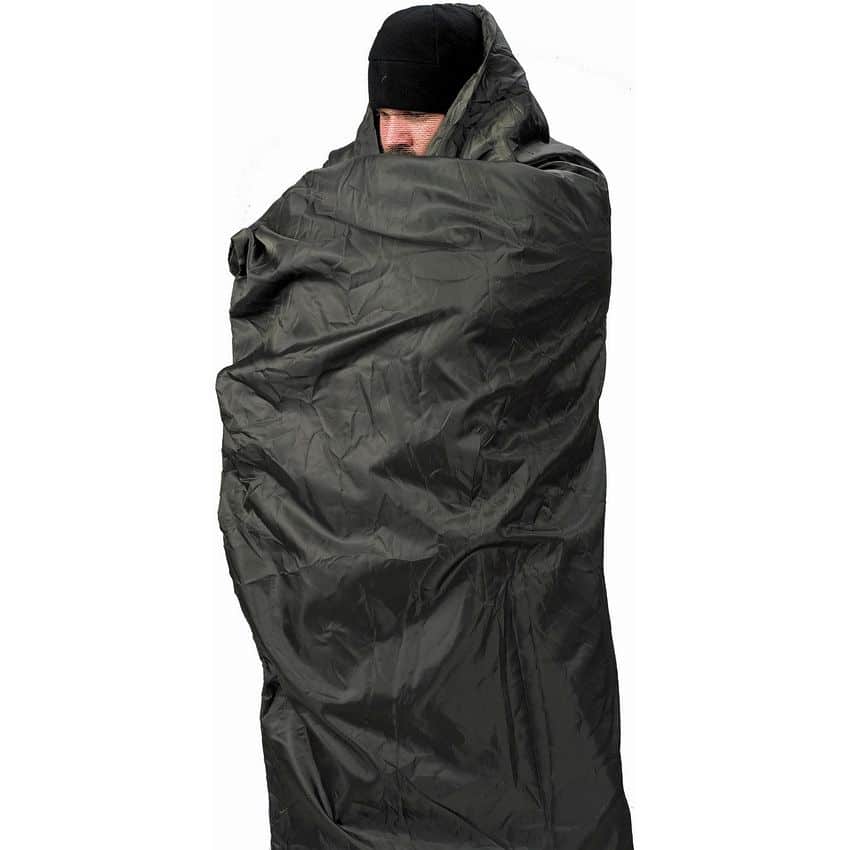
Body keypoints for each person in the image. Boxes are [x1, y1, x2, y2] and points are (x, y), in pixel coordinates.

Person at [368, 5, 483, 155]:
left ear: (472, 113)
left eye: (415, 115)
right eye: (383, 115)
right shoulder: (346, 168)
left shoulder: (510, 171)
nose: (391, 140)